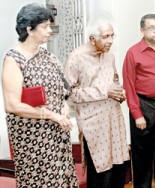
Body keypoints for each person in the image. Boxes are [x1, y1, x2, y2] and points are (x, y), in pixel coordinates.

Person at [1, 3, 78, 187]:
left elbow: (63, 91)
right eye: (45, 27)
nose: (50, 31)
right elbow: (12, 105)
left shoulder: (48, 57)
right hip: (32, 141)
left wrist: (63, 107)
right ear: (30, 29)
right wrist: (51, 115)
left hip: (57, 136)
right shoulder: (14, 59)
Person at [64, 20, 130, 188]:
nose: (110, 41)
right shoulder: (76, 57)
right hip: (93, 126)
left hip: (114, 122)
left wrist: (119, 93)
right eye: (105, 37)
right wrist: (103, 92)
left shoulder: (110, 56)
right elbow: (69, 93)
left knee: (118, 170)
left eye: (112, 36)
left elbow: (114, 81)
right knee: (101, 174)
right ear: (92, 39)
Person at [122, 14, 155, 188]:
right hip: (144, 106)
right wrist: (137, 114)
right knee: (142, 156)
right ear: (142, 30)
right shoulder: (133, 52)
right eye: (151, 27)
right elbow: (129, 86)